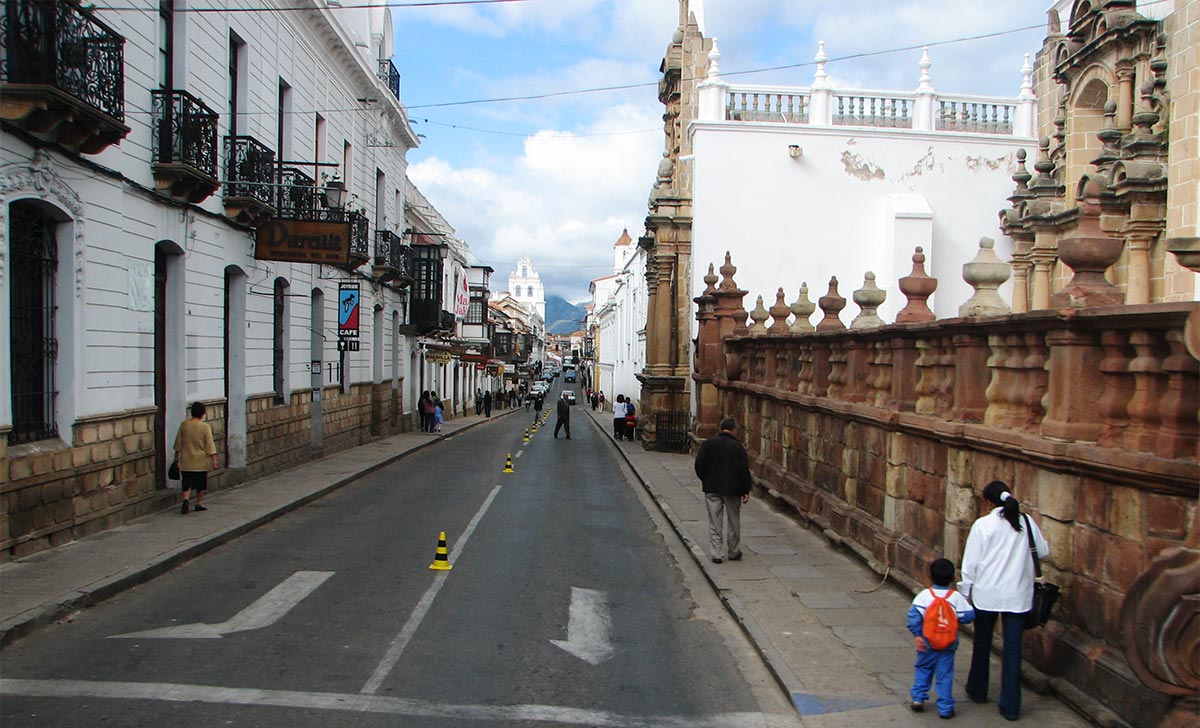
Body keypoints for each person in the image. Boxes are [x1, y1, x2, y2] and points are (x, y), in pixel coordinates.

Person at [961, 480, 1049, 721]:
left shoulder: (983, 525)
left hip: (986, 593)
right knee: (1012, 651)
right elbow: (1043, 552)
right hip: (1017, 595)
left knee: (982, 642)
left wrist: (964, 593)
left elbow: (970, 563)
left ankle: (978, 689)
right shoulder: (1026, 522)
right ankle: (1011, 706)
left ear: (988, 502)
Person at [908, 558, 976, 718]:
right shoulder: (955, 597)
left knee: (923, 669)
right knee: (945, 675)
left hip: (926, 642)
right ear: (953, 578)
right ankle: (945, 707)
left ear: (930, 576)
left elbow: (913, 616)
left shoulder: (924, 596)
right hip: (948, 644)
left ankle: (918, 698)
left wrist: (917, 635)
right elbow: (968, 616)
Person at [694, 417, 752, 563]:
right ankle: (733, 551)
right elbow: (743, 470)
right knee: (734, 521)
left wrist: (705, 479)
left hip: (712, 488)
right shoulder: (738, 447)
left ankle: (716, 553)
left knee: (715, 521)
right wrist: (746, 489)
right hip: (733, 490)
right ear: (733, 430)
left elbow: (699, 465)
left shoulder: (708, 444)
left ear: (720, 428)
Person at [174, 401, 218, 514]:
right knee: (200, 483)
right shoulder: (205, 427)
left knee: (187, 481)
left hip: (186, 459)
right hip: (200, 461)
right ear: (203, 413)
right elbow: (209, 444)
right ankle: (199, 503)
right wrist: (214, 460)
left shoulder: (184, 425)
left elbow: (178, 442)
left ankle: (185, 500)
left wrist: (177, 455)